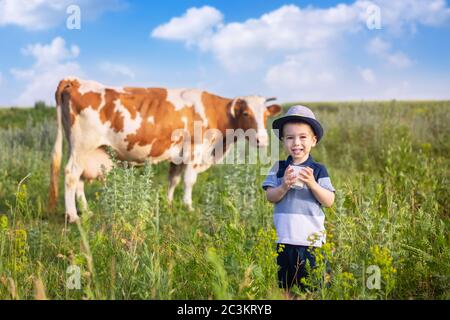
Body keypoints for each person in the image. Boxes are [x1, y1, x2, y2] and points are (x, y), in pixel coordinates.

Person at [262, 105, 335, 292]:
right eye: (290, 137)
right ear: (283, 141)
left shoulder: (318, 170)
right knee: (285, 287)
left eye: (303, 137)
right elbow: (270, 196)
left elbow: (329, 200)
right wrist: (284, 186)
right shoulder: (278, 168)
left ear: (313, 140)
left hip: (311, 243)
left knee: (312, 288)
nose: (296, 143)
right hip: (284, 241)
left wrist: (312, 183)